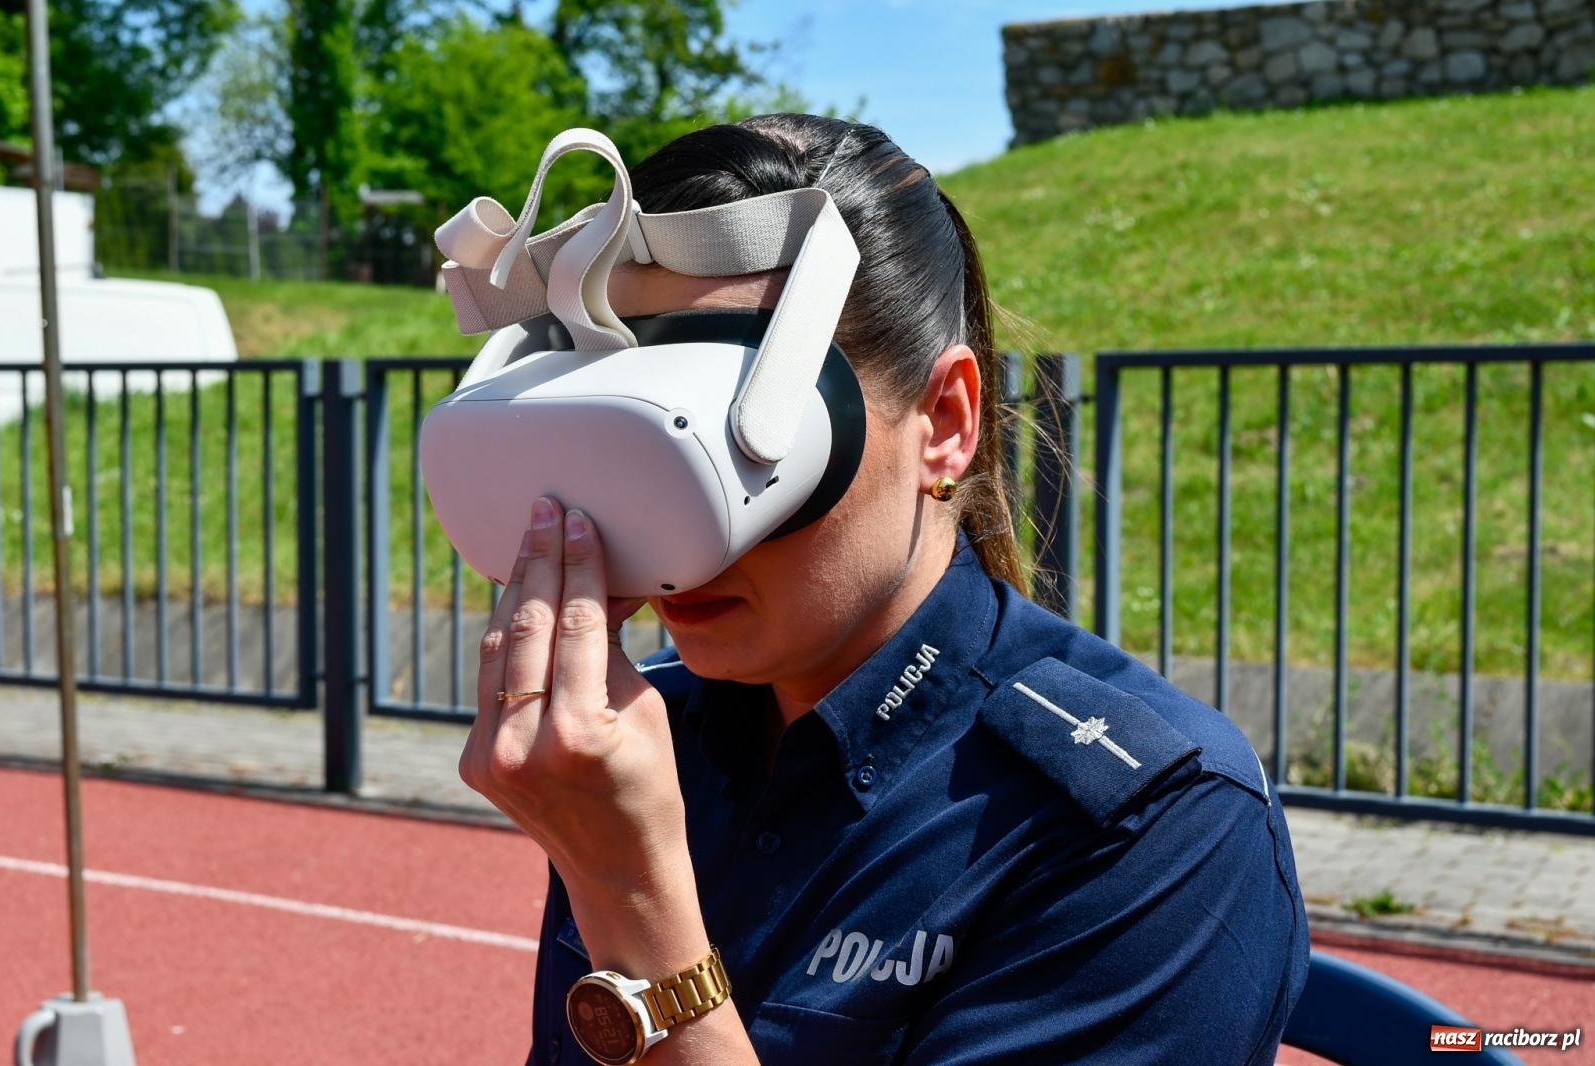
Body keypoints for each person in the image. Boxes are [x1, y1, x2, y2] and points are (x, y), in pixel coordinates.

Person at [457, 114, 1310, 1065]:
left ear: (944, 422)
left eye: (747, 446)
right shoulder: (649, 746)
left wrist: (632, 902)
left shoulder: (1151, 829)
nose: (686, 536)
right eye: (639, 435)